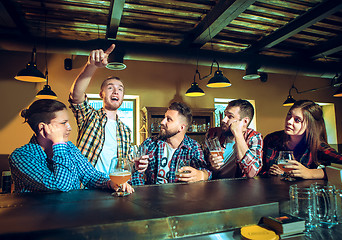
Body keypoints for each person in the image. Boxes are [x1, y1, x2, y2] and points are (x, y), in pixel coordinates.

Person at [9, 99, 134, 194]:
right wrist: (58, 143)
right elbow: (61, 187)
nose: (69, 127)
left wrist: (109, 182)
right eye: (63, 123)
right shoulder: (21, 157)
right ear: (43, 128)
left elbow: (90, 175)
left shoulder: (69, 147)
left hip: (70, 217)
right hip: (38, 223)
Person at [69, 44, 132, 175]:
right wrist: (91, 65)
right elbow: (75, 96)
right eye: (110, 87)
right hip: (87, 188)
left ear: (122, 96)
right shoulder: (89, 116)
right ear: (101, 94)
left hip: (114, 186)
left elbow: (125, 164)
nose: (116, 91)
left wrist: (136, 164)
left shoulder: (126, 131)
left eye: (120, 89)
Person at [261, 100, 342, 180]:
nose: (289, 121)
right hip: (274, 197)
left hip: (305, 198)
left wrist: (312, 173)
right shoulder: (271, 139)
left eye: (297, 120)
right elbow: (258, 171)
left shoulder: (318, 147)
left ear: (309, 125)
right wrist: (269, 172)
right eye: (289, 115)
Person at [131, 102, 211, 185]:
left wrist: (202, 175)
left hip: (181, 196)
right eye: (164, 118)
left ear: (181, 127)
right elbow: (136, 174)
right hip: (152, 196)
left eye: (168, 119)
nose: (162, 122)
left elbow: (205, 171)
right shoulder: (149, 143)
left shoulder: (193, 147)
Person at [205, 99, 263, 179]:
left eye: (230, 116)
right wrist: (213, 167)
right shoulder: (213, 134)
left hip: (241, 187)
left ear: (245, 121)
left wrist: (238, 134)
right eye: (225, 115)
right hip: (215, 184)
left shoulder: (254, 137)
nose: (223, 120)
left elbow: (252, 173)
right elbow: (203, 169)